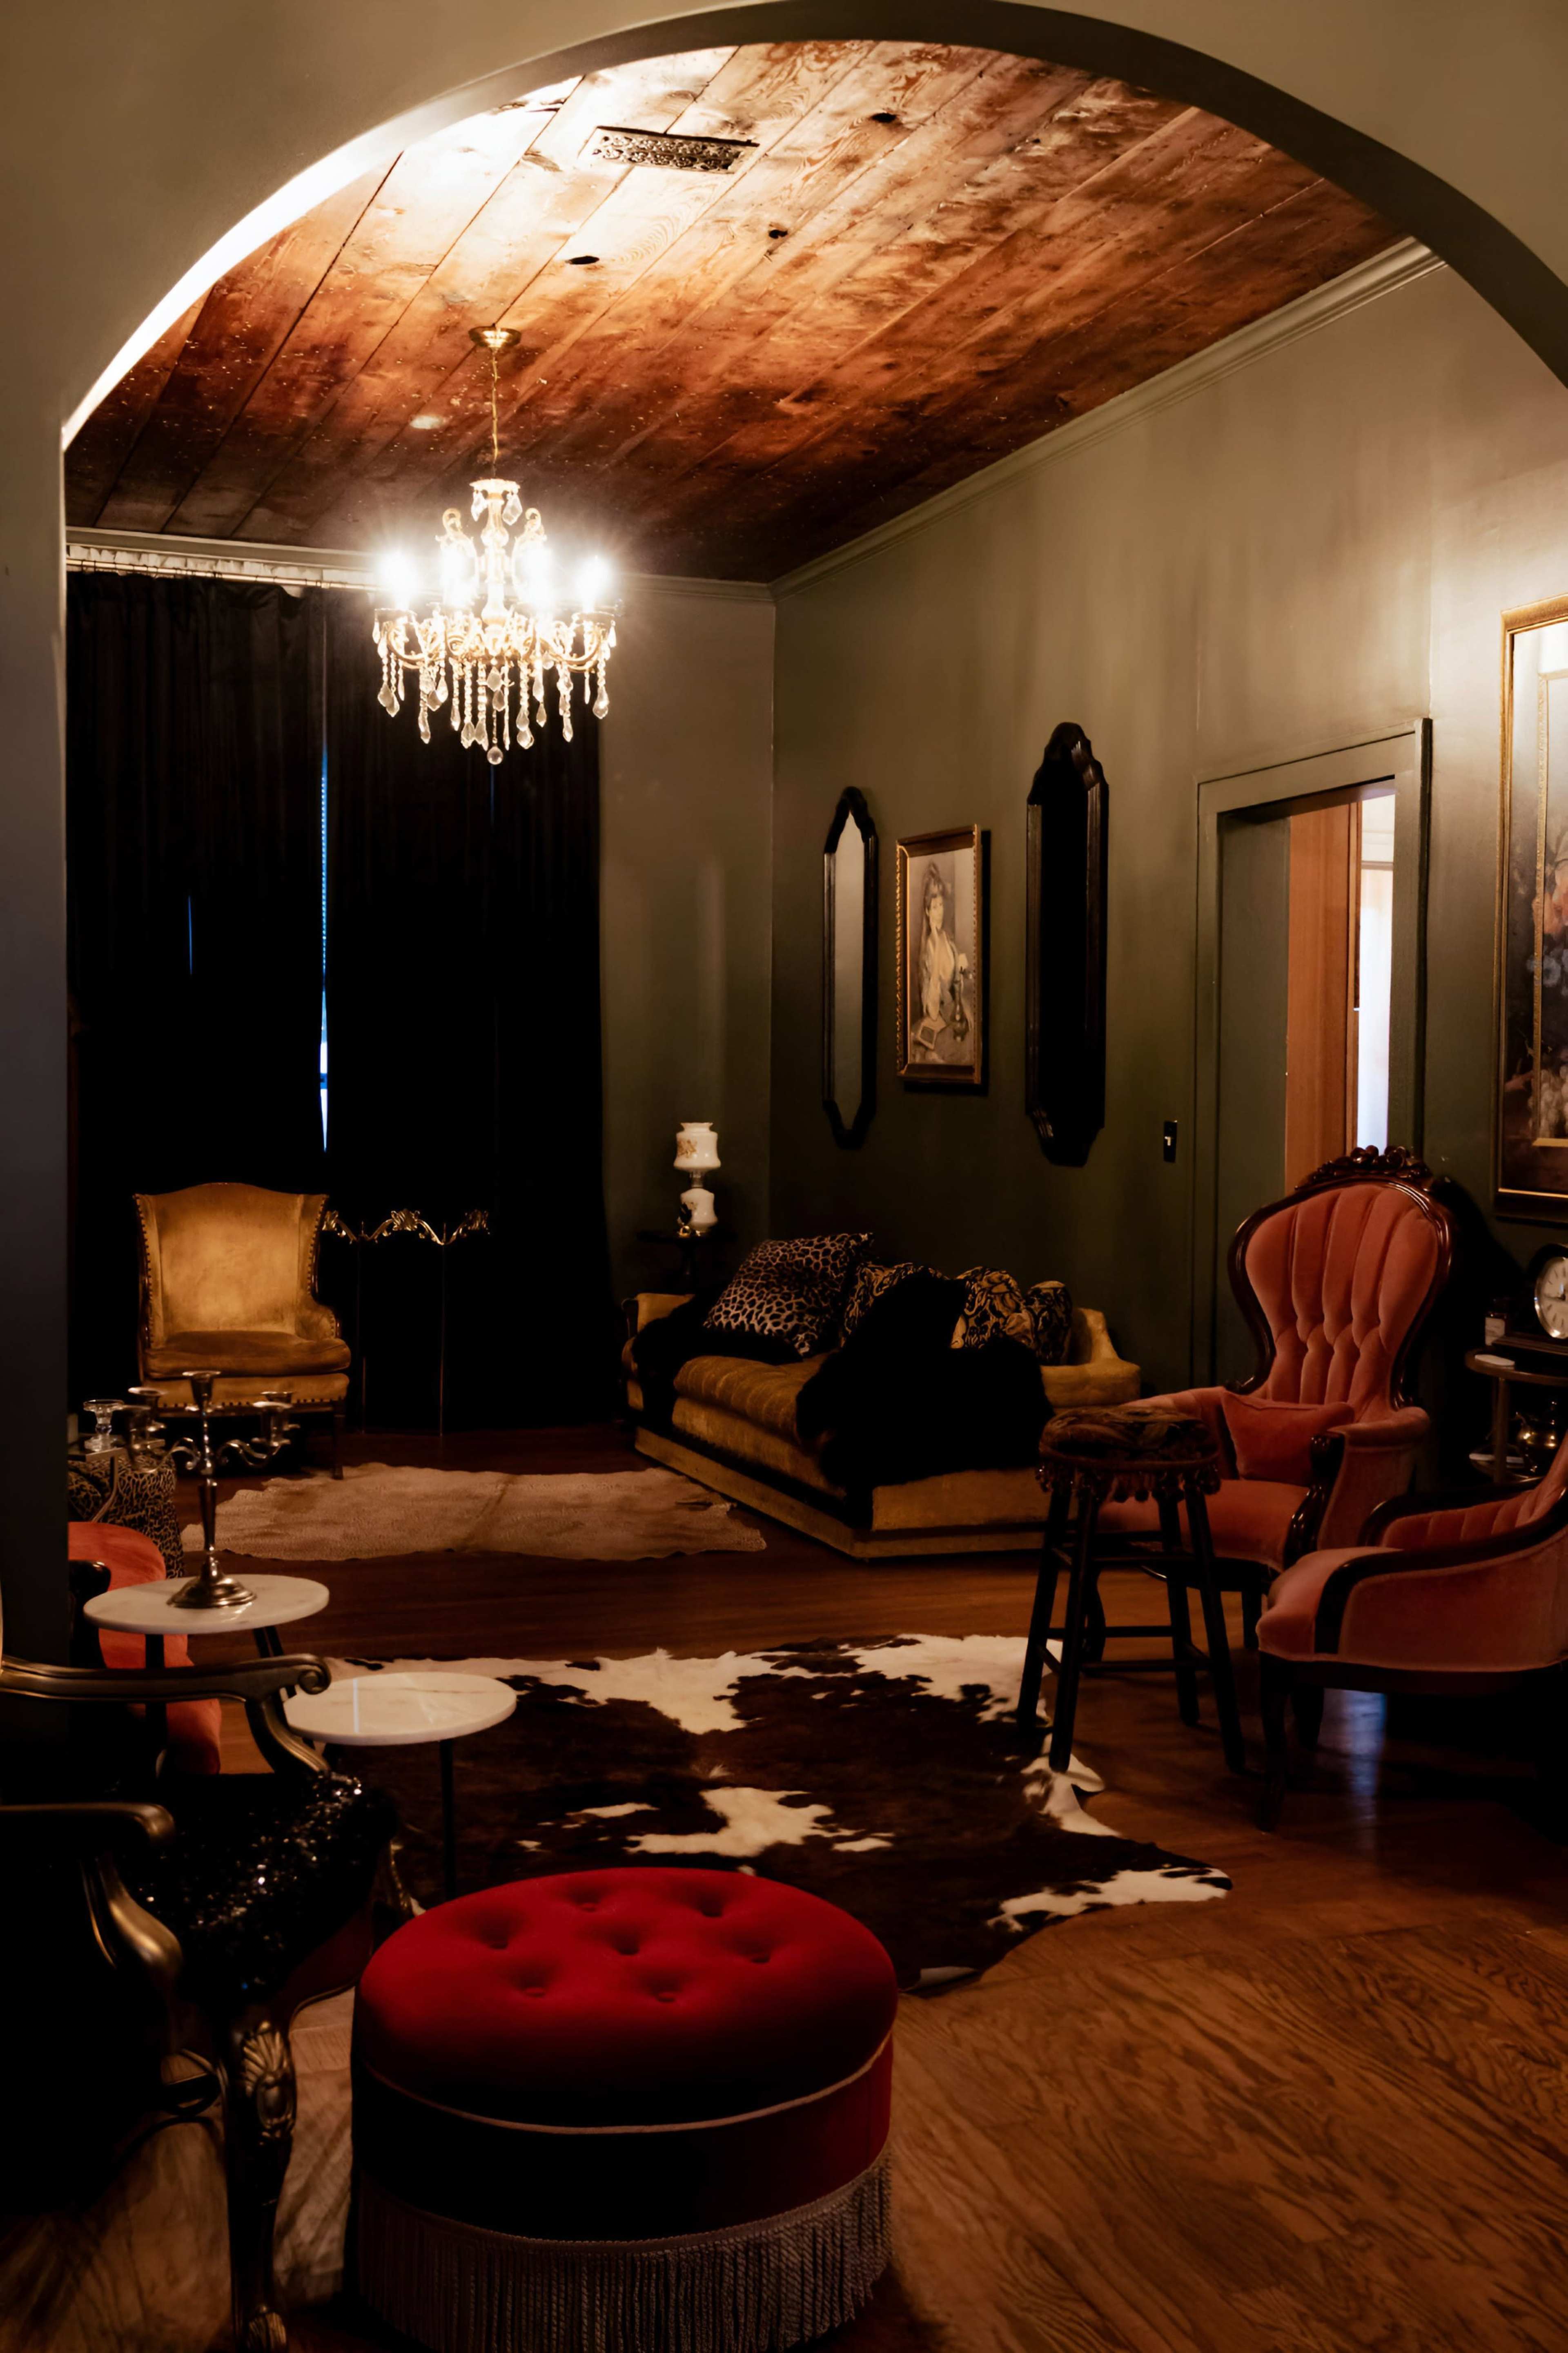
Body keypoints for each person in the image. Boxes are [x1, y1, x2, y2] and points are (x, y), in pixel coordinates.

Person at [914, 861, 968, 1057]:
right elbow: (933, 1010)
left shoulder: (948, 939)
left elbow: (957, 985)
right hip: (940, 1019)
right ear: (928, 912)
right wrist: (936, 950)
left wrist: (962, 969)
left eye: (941, 906)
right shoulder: (928, 949)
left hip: (954, 1015)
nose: (940, 912)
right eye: (935, 907)